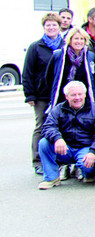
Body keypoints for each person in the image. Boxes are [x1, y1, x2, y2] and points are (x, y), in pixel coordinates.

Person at [37, 81, 95, 189]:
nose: (77, 98)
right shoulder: (58, 109)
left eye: (80, 94)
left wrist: (93, 152)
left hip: (85, 148)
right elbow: (47, 127)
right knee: (44, 143)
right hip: (65, 148)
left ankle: (88, 173)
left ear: (85, 95)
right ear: (67, 96)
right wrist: (57, 139)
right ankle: (52, 178)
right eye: (73, 95)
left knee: (87, 168)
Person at [23, 12, 65, 174]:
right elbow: (27, 72)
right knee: (41, 126)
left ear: (59, 27)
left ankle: (59, 159)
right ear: (44, 27)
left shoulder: (64, 45)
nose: (51, 27)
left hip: (60, 94)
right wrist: (30, 95)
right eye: (48, 25)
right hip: (41, 95)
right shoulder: (36, 47)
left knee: (60, 127)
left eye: (54, 25)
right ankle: (38, 161)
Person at [46, 27, 95, 108]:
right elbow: (49, 77)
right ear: (70, 40)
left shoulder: (90, 56)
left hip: (83, 99)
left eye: (81, 39)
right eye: (76, 39)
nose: (79, 41)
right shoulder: (59, 55)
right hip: (62, 98)